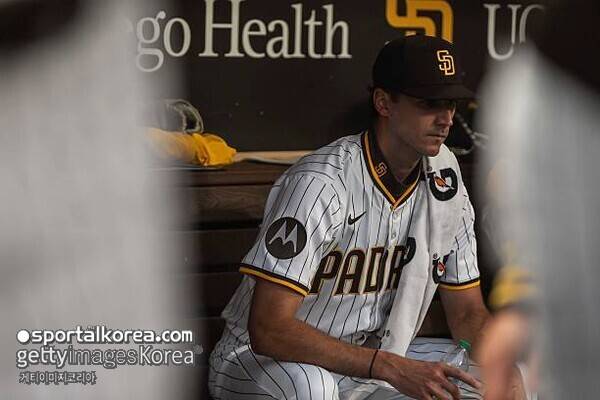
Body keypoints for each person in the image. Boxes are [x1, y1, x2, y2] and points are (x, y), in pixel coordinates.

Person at [209, 34, 506, 400]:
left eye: (451, 103)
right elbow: (269, 329)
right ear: (384, 102)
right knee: (312, 389)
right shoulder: (321, 183)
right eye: (429, 103)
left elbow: (467, 314)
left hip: (373, 358)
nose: (445, 119)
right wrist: (386, 365)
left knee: (502, 374)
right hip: (260, 360)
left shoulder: (445, 181)